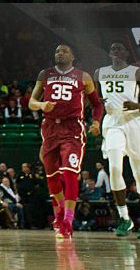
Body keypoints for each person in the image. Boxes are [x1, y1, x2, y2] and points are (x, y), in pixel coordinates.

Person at [29, 44, 103, 240]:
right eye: (56, 51)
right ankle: (60, 210)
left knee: (70, 173)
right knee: (52, 176)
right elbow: (31, 102)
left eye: (64, 51)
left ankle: (67, 220)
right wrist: (41, 104)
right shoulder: (45, 74)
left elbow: (96, 104)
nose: (59, 53)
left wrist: (96, 122)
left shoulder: (83, 76)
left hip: (72, 128)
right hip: (51, 127)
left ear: (72, 55)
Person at [94, 40, 140, 239]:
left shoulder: (137, 72)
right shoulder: (99, 73)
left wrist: (136, 105)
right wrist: (97, 103)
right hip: (112, 121)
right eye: (112, 48)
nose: (116, 51)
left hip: (134, 121)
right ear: (108, 53)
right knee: (113, 167)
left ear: (127, 54)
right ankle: (124, 218)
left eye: (120, 49)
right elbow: (95, 101)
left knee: (139, 173)